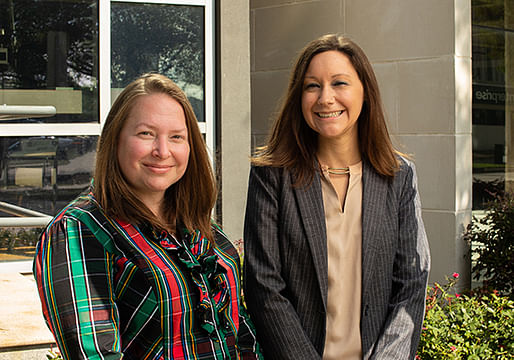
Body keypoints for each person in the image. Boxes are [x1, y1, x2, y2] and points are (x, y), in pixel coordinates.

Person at [34, 73, 262, 360]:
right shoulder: (78, 230)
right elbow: (95, 355)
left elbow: (242, 333)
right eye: (146, 134)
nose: (162, 151)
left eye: (176, 137)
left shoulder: (197, 224)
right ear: (115, 140)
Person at [244, 34, 430, 360]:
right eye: (312, 86)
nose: (325, 98)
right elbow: (264, 287)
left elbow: (411, 284)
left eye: (339, 83)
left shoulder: (399, 177)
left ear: (365, 92)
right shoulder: (271, 176)